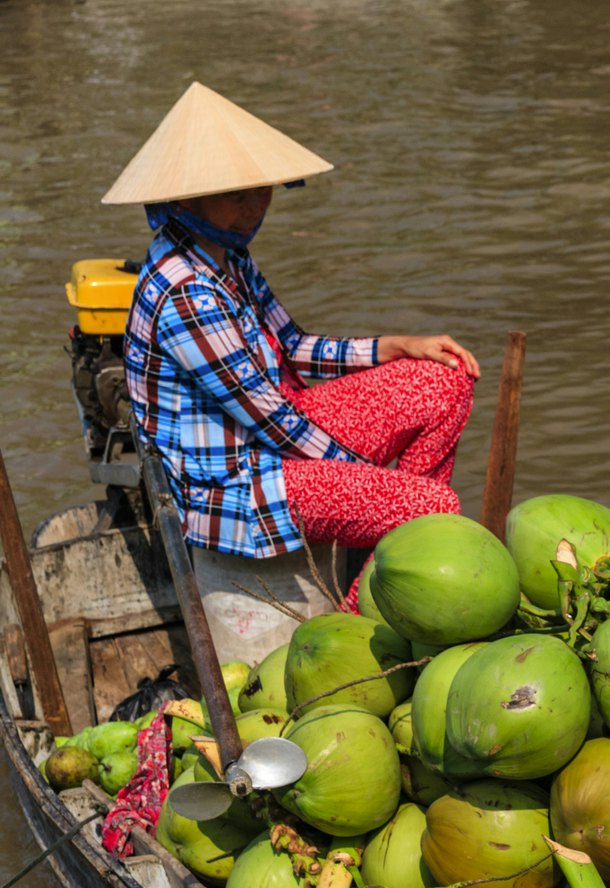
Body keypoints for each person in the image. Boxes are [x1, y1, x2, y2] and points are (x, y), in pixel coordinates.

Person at [109, 83, 480, 565]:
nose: (254, 206)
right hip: (233, 486)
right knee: (432, 506)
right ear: (185, 201)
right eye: (235, 195)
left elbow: (290, 345)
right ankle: (370, 601)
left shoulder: (228, 257)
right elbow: (270, 418)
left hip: (269, 440)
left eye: (260, 189)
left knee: (444, 380)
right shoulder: (186, 291)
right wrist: (369, 476)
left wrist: (394, 346)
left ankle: (394, 563)